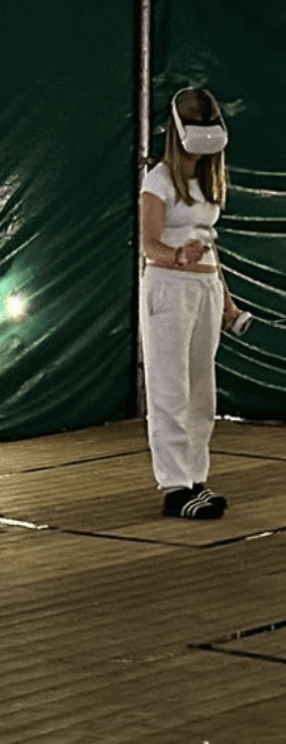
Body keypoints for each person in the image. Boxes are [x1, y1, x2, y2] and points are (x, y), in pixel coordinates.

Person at [139, 86, 244, 519]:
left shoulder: (209, 182)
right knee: (170, 386)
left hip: (205, 290)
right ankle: (175, 486)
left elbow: (210, 249)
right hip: (169, 286)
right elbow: (149, 243)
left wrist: (228, 304)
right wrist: (178, 257)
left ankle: (196, 477)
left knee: (202, 390)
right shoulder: (159, 179)